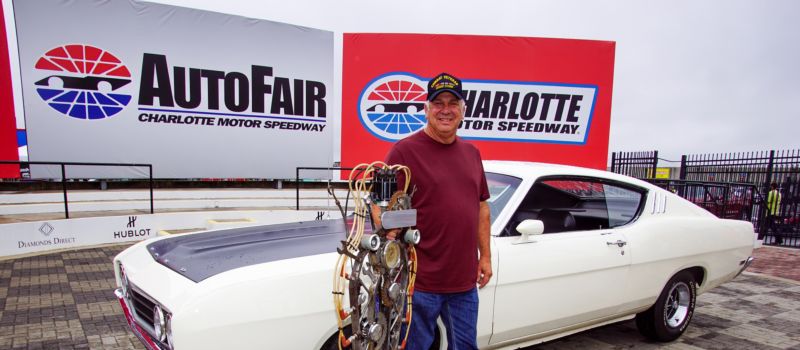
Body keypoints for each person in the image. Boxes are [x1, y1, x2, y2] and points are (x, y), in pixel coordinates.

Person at [385, 72, 491, 350]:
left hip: (463, 282)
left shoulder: (472, 153)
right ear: (426, 110)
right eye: (438, 103)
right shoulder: (404, 152)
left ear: (462, 110)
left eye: (452, 103)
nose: (446, 110)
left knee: (466, 347)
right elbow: (382, 209)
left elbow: (481, 207)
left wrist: (486, 257)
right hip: (418, 284)